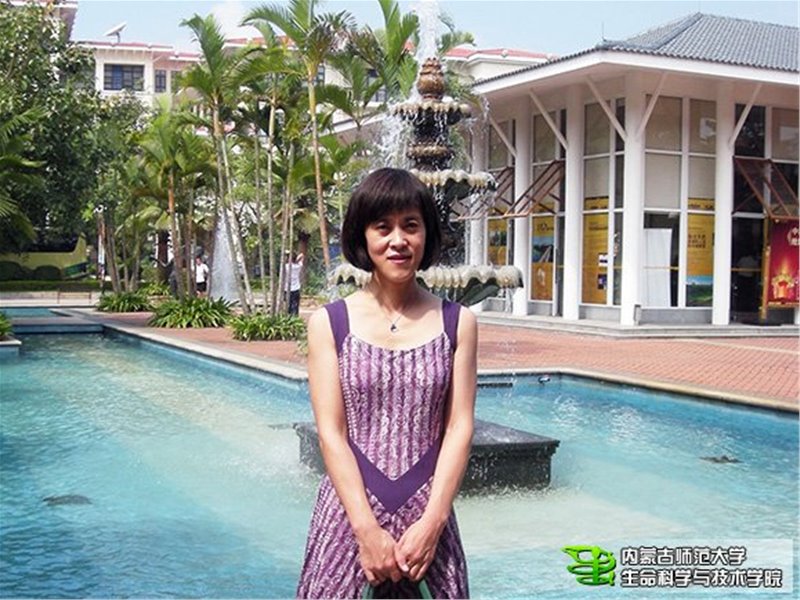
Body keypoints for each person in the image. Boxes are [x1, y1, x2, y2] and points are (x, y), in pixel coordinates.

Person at [297, 168, 477, 598]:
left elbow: (459, 427)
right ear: (363, 236)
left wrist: (433, 522)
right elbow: (331, 433)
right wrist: (366, 529)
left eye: (410, 226)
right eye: (383, 227)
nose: (398, 240)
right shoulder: (329, 323)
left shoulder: (458, 322)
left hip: (428, 519)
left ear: (426, 234)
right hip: (348, 514)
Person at [284, 251, 304, 315]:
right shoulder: (298, 266)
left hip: (287, 289)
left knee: (288, 305)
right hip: (296, 288)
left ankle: (289, 316)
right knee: (295, 305)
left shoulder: (286, 267)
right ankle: (295, 317)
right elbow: (302, 255)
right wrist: (296, 260)